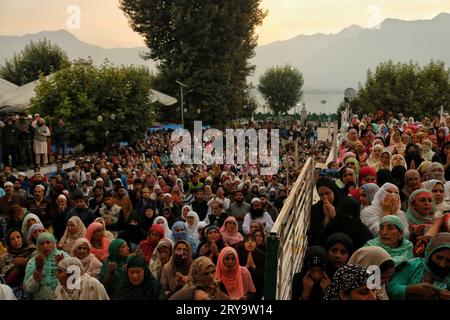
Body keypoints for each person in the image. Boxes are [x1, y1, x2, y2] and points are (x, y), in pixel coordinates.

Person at [387, 232, 450, 300]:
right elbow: (391, 288)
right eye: (439, 257)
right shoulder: (414, 265)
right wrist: (412, 289)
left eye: (449, 261)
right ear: (430, 253)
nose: (442, 264)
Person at [23, 232, 69, 300]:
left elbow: (74, 282)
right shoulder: (33, 262)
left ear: (54, 244)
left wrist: (63, 267)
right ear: (37, 246)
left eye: (48, 242)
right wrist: (38, 269)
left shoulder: (63, 256)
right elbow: (30, 289)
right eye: (41, 244)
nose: (45, 246)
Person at [0, 229, 36, 299]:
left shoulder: (32, 251)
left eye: (18, 237)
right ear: (9, 242)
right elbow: (6, 281)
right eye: (12, 239)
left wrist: (26, 264)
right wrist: (16, 268)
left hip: (33, 287)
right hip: (14, 291)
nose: (16, 240)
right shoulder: (5, 257)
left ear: (22, 238)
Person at [308, 176, 344, 244]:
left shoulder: (344, 206)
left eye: (328, 193)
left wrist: (334, 217)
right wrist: (327, 218)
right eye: (321, 195)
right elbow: (316, 235)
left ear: (334, 191)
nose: (325, 197)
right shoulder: (316, 209)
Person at [236, 233, 265, 299]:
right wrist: (246, 266)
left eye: (252, 240)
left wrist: (254, 266)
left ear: (256, 243)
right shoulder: (239, 255)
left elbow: (265, 276)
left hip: (258, 289)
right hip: (242, 289)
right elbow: (235, 275)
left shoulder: (262, 255)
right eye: (247, 241)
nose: (250, 243)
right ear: (243, 244)